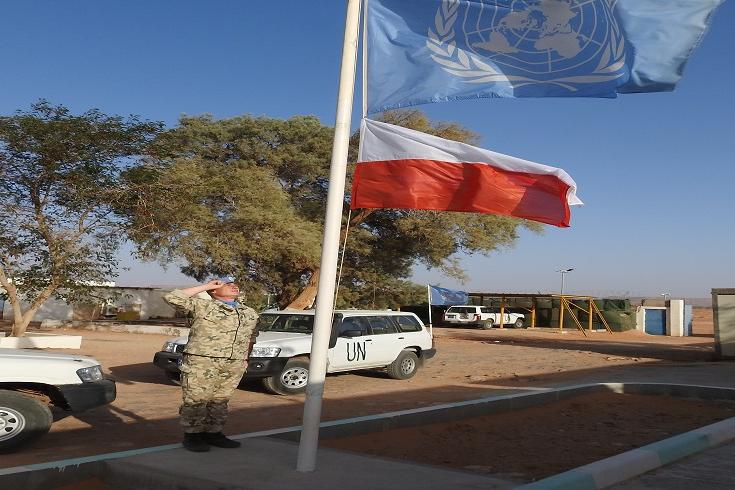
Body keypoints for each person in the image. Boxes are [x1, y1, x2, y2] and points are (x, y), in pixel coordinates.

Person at [163, 277, 258, 452]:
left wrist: (245, 359)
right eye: (227, 284)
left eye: (234, 284)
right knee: (196, 399)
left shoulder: (249, 312)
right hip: (203, 360)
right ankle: (193, 435)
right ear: (214, 290)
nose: (233, 286)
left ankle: (214, 433)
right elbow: (172, 297)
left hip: (234, 362)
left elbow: (251, 337)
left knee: (220, 400)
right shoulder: (202, 306)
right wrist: (206, 286)